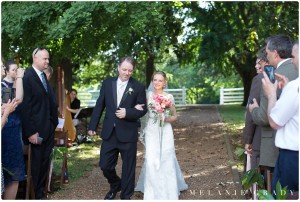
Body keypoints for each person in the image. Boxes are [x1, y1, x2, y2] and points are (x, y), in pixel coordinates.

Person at [88, 57, 147, 200]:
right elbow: (99, 105)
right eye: (124, 69)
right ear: (118, 67)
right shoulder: (108, 83)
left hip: (128, 132)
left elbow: (143, 109)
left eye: (130, 70)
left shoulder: (138, 87)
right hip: (109, 132)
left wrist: (128, 112)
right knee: (105, 165)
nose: (127, 73)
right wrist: (92, 126)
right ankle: (115, 184)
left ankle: (126, 196)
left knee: (128, 168)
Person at [249, 35, 298, 182]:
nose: (267, 56)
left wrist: (254, 109)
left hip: (285, 152)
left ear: (275, 53)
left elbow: (267, 119)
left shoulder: (272, 76)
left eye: (267, 52)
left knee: (283, 191)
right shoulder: (293, 76)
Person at [135, 71, 188, 199]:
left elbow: (174, 116)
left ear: (165, 82)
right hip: (152, 131)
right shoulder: (148, 95)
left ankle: (169, 191)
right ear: (152, 81)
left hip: (165, 130)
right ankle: (152, 192)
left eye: (160, 80)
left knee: (166, 157)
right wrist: (136, 107)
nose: (157, 82)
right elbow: (141, 110)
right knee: (152, 159)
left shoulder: (169, 97)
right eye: (155, 80)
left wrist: (165, 118)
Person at [261, 40, 298, 197]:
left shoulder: (294, 88)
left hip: (292, 157)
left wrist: (271, 95)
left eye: (294, 56)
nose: (293, 60)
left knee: (284, 196)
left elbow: (274, 122)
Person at [20, 48, 58, 199]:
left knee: (44, 162)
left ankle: (41, 192)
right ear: (35, 58)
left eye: (48, 59)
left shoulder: (43, 76)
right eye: (45, 59)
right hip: (36, 131)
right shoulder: (28, 77)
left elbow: (50, 101)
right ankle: (36, 195)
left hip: (48, 127)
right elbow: (26, 107)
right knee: (36, 164)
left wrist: (52, 123)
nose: (48, 62)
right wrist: (30, 132)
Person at [1, 61, 26, 199]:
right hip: (7, 132)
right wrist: (20, 77)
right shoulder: (3, 86)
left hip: (15, 131)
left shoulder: (13, 84)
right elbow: (18, 99)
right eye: (13, 70)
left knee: (14, 171)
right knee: (10, 170)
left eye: (18, 70)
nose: (16, 72)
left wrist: (18, 80)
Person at [243, 47, 270, 169]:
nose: (256, 66)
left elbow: (251, 114)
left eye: (259, 63)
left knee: (258, 171)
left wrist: (248, 139)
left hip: (261, 135)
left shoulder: (259, 79)